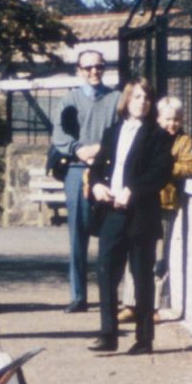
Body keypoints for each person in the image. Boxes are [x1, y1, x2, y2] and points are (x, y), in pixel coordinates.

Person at [85, 78, 171, 356]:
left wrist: (132, 191)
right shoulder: (112, 132)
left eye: (146, 98)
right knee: (107, 271)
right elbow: (98, 167)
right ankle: (108, 333)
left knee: (141, 276)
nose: (142, 102)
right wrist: (97, 185)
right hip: (111, 212)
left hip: (141, 215)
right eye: (136, 97)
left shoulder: (158, 136)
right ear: (127, 101)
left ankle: (144, 338)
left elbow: (159, 173)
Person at [50, 49, 119, 314]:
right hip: (78, 170)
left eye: (98, 67)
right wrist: (80, 150)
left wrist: (100, 150)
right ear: (79, 70)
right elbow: (60, 135)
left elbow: (120, 131)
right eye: (88, 68)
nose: (94, 72)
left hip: (107, 170)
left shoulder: (115, 98)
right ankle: (78, 295)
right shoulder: (69, 100)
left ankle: (109, 295)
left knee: (110, 234)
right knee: (77, 235)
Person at [154, 95, 192, 318]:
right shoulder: (150, 136)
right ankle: (132, 303)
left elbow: (190, 167)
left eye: (177, 119)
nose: (172, 124)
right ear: (159, 118)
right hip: (144, 200)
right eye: (168, 119)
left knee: (161, 254)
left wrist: (164, 168)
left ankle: (156, 305)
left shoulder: (184, 141)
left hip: (166, 202)